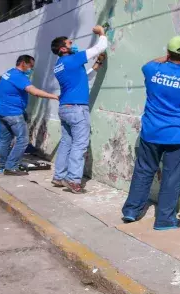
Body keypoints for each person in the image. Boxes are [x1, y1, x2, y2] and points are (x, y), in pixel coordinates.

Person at [122, 36, 180, 230]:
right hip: (178, 136)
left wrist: (167, 58)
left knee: (143, 171)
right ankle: (164, 220)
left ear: (168, 53)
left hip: (151, 132)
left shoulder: (152, 70)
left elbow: (148, 63)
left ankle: (131, 211)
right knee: (173, 178)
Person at [50, 25, 108, 193]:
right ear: (63, 48)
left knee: (66, 143)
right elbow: (100, 47)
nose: (72, 44)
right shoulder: (72, 59)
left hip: (65, 108)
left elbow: (83, 78)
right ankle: (73, 180)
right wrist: (101, 33)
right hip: (77, 109)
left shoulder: (60, 65)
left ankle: (59, 177)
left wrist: (97, 64)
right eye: (69, 42)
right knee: (80, 145)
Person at [0, 55, 59, 176]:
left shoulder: (8, 73)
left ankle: (2, 165)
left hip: (3, 112)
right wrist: (55, 96)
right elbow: (34, 92)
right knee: (23, 140)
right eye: (31, 65)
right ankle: (11, 167)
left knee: (5, 140)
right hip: (13, 113)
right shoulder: (19, 77)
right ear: (23, 63)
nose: (31, 68)